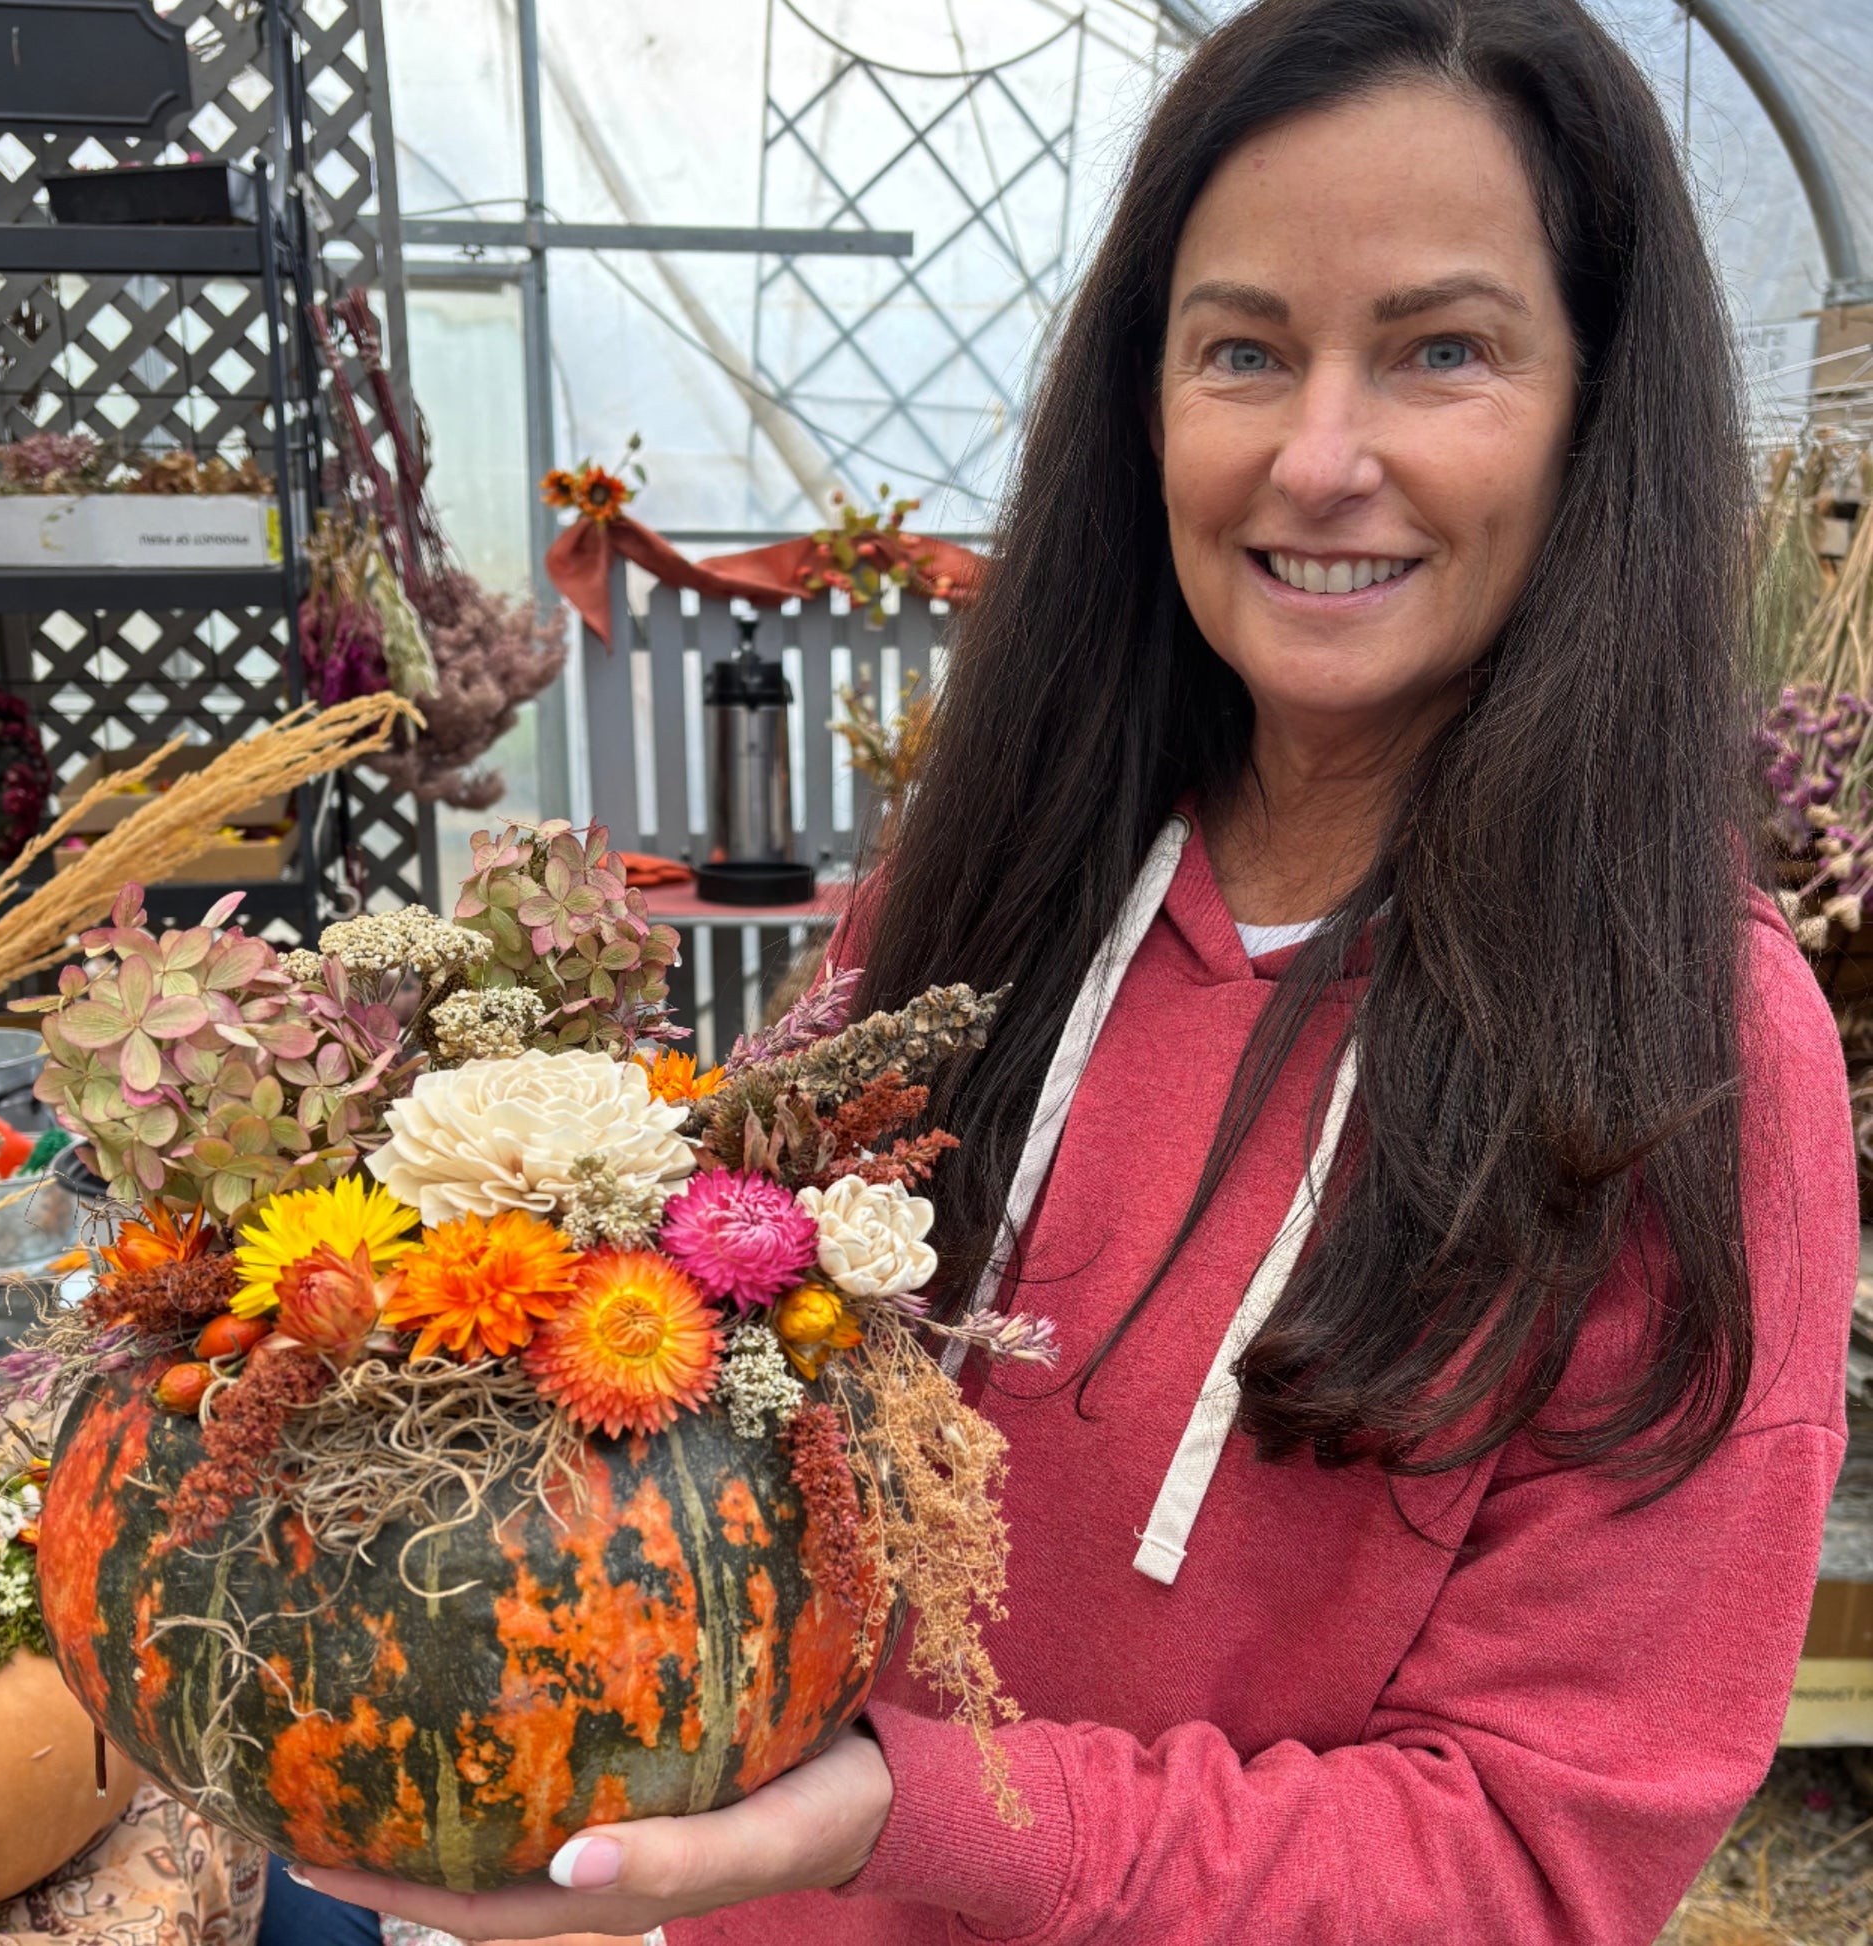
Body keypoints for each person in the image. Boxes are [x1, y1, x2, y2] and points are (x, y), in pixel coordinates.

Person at [284, 0, 1857, 1939]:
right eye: (1242, 351)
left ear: (1596, 407)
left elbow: (1534, 1865)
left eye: (1442, 349)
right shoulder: (979, 893)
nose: (1320, 453)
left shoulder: (1690, 1049)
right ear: (1140, 398)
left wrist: (919, 1816)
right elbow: (701, 1385)